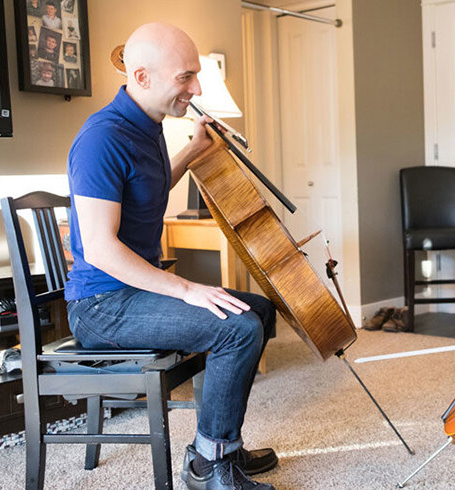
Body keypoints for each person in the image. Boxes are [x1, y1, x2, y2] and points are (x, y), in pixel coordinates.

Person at [66, 22, 277, 490]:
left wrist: (193, 150)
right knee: (237, 327)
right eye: (185, 77)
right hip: (102, 306)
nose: (196, 88)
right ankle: (208, 464)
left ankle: (223, 444)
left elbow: (147, 190)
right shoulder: (103, 138)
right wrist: (187, 289)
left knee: (259, 310)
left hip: (130, 294)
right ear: (142, 77)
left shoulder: (148, 126)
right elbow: (101, 248)